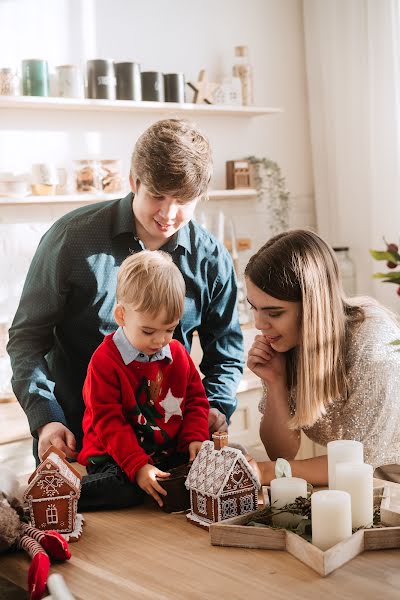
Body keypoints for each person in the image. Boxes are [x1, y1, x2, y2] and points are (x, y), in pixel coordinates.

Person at [7, 118, 244, 463]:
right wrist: (46, 418)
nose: (168, 213)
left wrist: (216, 407)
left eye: (183, 200)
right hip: (79, 445)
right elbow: (26, 339)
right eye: (157, 196)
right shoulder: (70, 239)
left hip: (174, 453)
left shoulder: (211, 259)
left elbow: (226, 352)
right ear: (134, 180)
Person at [245, 229, 400, 486]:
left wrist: (268, 472)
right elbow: (281, 453)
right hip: (355, 486)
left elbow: (358, 461)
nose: (259, 324)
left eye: (274, 313)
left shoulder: (372, 341)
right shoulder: (287, 344)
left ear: (312, 306)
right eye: (254, 307)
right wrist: (276, 383)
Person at [77, 250, 209, 510]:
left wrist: (196, 438)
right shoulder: (105, 361)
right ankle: (56, 494)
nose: (160, 340)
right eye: (148, 331)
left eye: (170, 329)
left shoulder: (178, 355)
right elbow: (108, 422)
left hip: (162, 453)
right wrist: (138, 467)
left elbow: (196, 400)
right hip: (112, 455)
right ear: (122, 316)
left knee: (208, 466)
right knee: (125, 490)